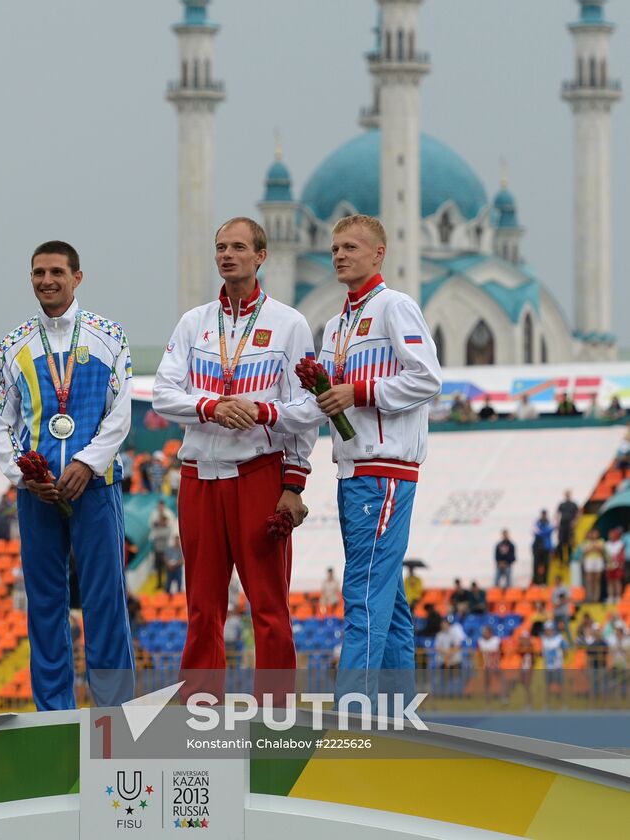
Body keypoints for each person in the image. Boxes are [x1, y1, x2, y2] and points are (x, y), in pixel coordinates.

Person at [266, 215, 442, 703]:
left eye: (351, 247)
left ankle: (355, 713)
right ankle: (397, 709)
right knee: (390, 599)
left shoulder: (395, 306)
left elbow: (427, 378)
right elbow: (322, 401)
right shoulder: (340, 322)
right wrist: (264, 411)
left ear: (378, 253)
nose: (339, 255)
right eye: (335, 247)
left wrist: (357, 392)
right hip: (353, 468)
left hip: (384, 468)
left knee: (363, 592)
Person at [152, 217, 318, 686]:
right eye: (221, 247)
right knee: (202, 607)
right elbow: (163, 394)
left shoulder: (289, 323)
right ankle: (200, 712)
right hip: (198, 477)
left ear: (261, 255)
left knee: (268, 605)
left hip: (258, 475)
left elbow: (309, 407)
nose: (227, 255)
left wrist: (292, 481)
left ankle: (277, 714)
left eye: (239, 247)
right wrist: (210, 407)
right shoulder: (194, 322)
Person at [0, 240, 134, 710]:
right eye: (37, 273)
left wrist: (86, 463)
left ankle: (114, 714)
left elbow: (121, 413)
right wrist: (22, 475)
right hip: (38, 495)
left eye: (55, 271)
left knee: (104, 601)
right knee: (45, 604)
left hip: (96, 487)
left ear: (77, 277)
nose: (46, 280)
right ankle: (54, 714)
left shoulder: (109, 336)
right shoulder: (13, 346)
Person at [477, 624, 504, 703]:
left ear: (490, 632)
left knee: (501, 681)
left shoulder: (496, 640)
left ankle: (504, 698)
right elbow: (478, 654)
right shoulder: (480, 641)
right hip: (486, 666)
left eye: (485, 632)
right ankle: (488, 701)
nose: (484, 633)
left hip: (496, 665)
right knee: (487, 684)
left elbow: (501, 652)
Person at [541, 621, 567, 704]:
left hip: (558, 666)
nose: (548, 631)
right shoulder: (544, 639)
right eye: (547, 630)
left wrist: (561, 658)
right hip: (548, 666)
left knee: (560, 686)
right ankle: (547, 704)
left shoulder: (559, 638)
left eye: (550, 629)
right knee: (547, 686)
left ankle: (563, 704)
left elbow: (565, 649)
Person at [149, 507, 173, 590]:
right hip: (157, 550)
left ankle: (167, 585)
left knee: (166, 569)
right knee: (158, 568)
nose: (162, 522)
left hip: (164, 551)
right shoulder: (158, 528)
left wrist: (158, 534)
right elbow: (153, 536)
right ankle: (159, 584)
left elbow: (162, 535)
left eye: (164, 520)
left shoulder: (167, 528)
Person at [581, 528, 606, 603]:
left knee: (597, 580)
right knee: (589, 580)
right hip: (589, 561)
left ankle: (596, 598)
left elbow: (601, 550)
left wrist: (593, 547)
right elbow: (585, 551)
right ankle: (589, 597)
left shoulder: (601, 541)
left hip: (598, 560)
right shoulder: (585, 542)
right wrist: (593, 547)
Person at [532, 510, 555, 585]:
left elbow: (550, 530)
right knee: (536, 565)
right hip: (537, 547)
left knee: (546, 565)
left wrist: (543, 532)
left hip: (546, 548)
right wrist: (545, 532)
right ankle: (536, 582)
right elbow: (536, 532)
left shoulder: (549, 522)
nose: (544, 516)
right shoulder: (536, 522)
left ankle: (545, 582)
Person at [555, 490, 579, 564]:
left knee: (570, 542)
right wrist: (557, 523)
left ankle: (569, 560)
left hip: (570, 525)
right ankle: (561, 559)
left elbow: (578, 513)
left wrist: (575, 522)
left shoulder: (574, 504)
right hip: (563, 524)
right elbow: (557, 514)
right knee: (561, 542)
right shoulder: (562, 504)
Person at [605, 528, 625, 605]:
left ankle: (618, 597)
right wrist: (608, 563)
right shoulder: (607, 544)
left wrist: (617, 563)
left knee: (617, 581)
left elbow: (621, 555)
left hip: (617, 565)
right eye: (610, 535)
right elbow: (606, 555)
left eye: (612, 534)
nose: (611, 536)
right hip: (609, 565)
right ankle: (611, 597)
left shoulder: (620, 544)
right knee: (610, 582)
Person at [551, 575, 572, 644]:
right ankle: (557, 644)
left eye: (557, 580)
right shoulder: (554, 589)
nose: (556, 582)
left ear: (560, 580)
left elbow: (569, 598)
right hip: (556, 613)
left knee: (567, 629)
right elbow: (553, 603)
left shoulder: (565, 588)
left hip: (564, 612)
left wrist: (561, 601)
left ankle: (571, 644)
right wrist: (561, 601)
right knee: (556, 630)